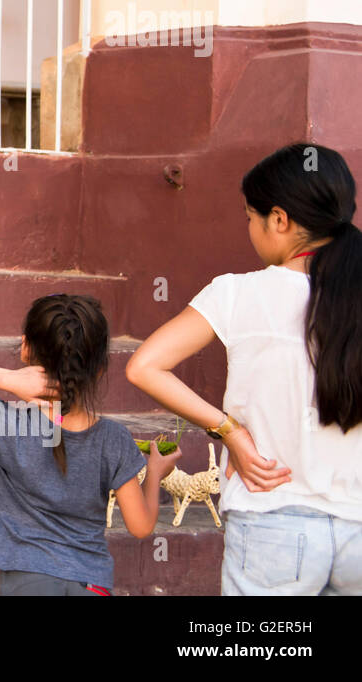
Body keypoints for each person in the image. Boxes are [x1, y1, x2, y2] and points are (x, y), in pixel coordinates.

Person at [126, 142, 362, 595]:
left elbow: (145, 367)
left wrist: (227, 430)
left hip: (272, 524)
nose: (249, 229)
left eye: (249, 217)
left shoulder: (237, 293)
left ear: (279, 219)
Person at [0, 294, 180, 595]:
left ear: (25, 349)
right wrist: (154, 475)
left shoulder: (8, 424)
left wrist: (9, 379)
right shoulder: (114, 439)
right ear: (99, 369)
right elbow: (140, 526)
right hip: (92, 584)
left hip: (27, 583)